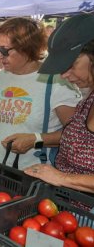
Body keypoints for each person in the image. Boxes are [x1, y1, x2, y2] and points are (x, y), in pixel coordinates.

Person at [0, 17, 81, 170]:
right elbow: (3, 111)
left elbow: (77, 135)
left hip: (32, 174)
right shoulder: (4, 74)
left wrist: (36, 139)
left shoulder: (56, 81)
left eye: (4, 50)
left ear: (27, 48)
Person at [23, 14, 94, 195]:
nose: (64, 74)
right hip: (67, 208)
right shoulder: (89, 97)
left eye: (71, 63)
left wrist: (62, 178)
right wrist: (36, 139)